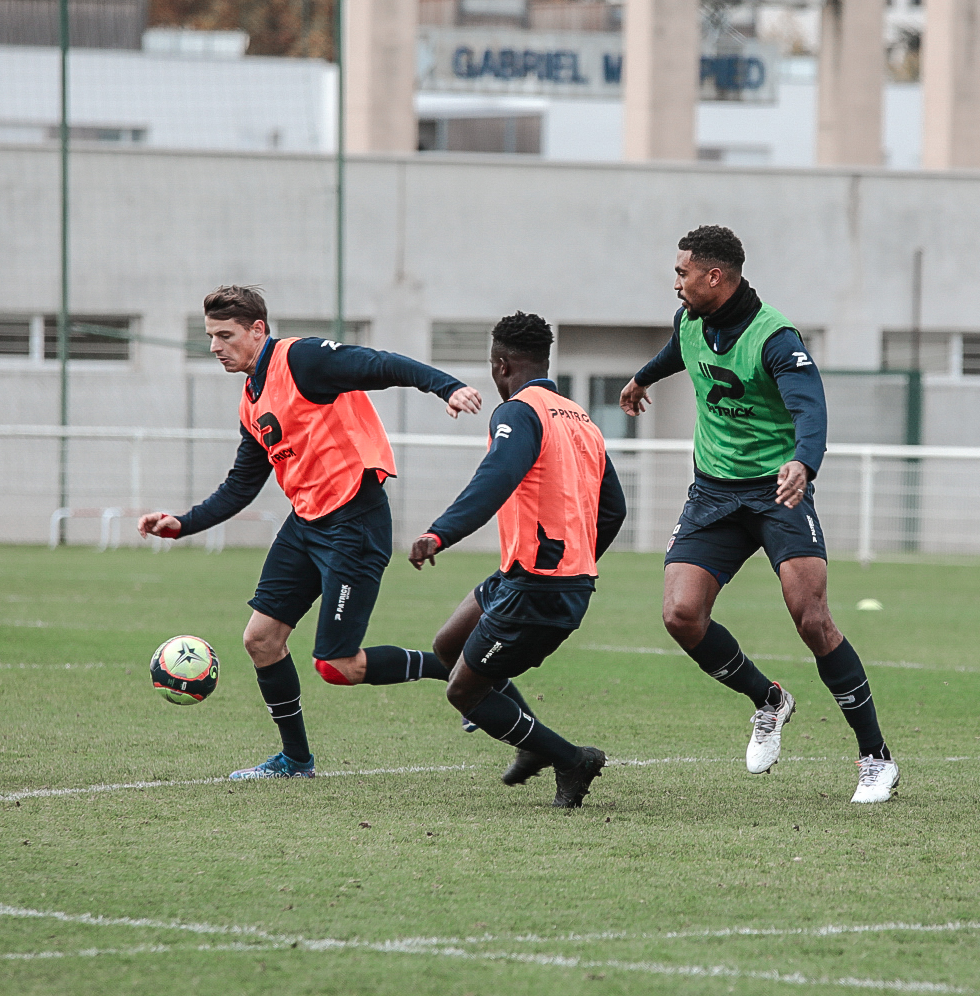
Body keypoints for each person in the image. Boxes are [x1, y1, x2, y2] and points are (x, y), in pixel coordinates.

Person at [138, 285, 483, 780]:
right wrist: (183, 523)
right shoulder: (251, 401)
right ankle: (296, 761)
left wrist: (446, 387)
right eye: (210, 336)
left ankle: (468, 676)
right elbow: (241, 486)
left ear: (257, 330)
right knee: (261, 640)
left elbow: (381, 364)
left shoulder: (302, 360)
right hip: (307, 523)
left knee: (337, 665)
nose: (214, 346)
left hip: (355, 522)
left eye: (225, 335)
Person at [619, 225, 898, 804]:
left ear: (714, 276)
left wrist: (804, 462)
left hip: (777, 493)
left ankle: (876, 758)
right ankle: (769, 700)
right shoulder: (690, 320)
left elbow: (810, 408)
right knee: (680, 615)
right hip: (712, 494)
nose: (676, 283)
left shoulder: (775, 337)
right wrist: (642, 377)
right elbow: (679, 352)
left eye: (682, 273)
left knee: (812, 619)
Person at [410, 313, 626, 809]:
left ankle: (571, 759)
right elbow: (614, 509)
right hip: (526, 574)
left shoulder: (517, 412)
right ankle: (530, 742)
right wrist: (579, 559)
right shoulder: (580, 418)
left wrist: (440, 533)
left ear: (501, 365)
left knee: (463, 693)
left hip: (540, 588)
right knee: (448, 645)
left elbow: (496, 478)